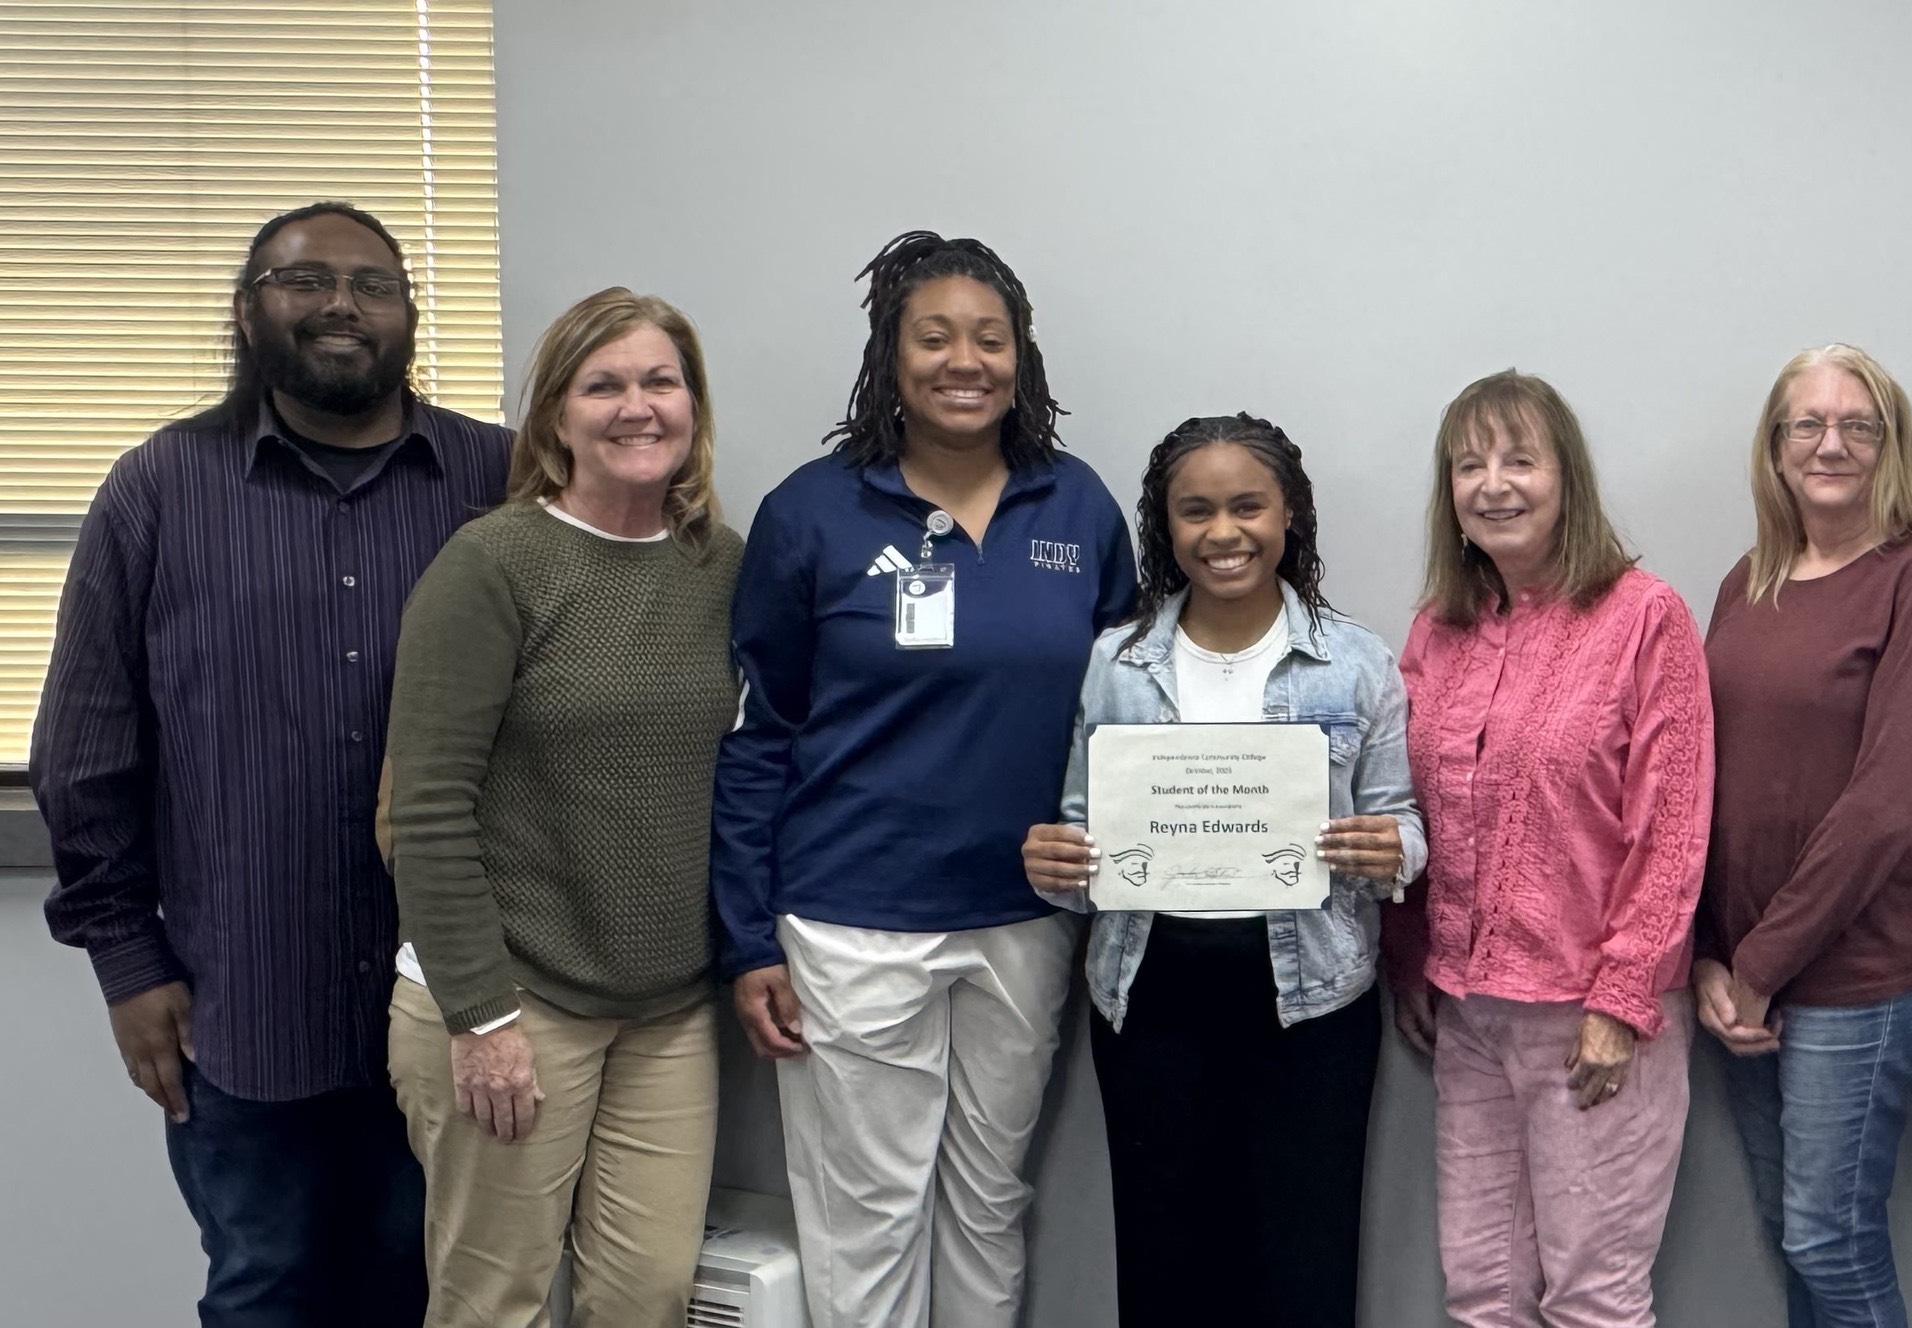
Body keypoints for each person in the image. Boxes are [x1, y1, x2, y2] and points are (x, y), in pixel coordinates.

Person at [35, 201, 510, 1328]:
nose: (341, 303)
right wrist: (126, 960)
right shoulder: (158, 488)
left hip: (454, 999)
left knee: (436, 1292)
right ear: (248, 310)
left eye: (372, 283)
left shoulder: (495, 477)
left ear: (406, 313)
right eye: (305, 280)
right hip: (242, 1005)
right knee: (267, 1292)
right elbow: (84, 752)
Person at [713, 230, 1136, 1327]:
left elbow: (1126, 716)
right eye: (934, 336)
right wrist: (748, 934)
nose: (964, 359)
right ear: (889, 358)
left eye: (988, 338)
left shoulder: (1077, 507)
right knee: (870, 1214)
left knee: (989, 1201)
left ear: (1021, 357)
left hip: (1025, 916)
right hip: (854, 916)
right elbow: (762, 729)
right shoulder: (814, 512)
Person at [378, 288, 741, 1326]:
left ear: (692, 404)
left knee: (651, 1293)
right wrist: (481, 1016)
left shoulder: (719, 563)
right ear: (553, 418)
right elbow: (426, 806)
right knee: (495, 1299)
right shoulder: (493, 563)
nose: (638, 407)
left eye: (660, 381)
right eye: (605, 384)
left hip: (666, 1007)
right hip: (509, 998)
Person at [1019, 414, 1422, 1328]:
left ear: (1290, 516)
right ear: (1165, 527)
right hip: (1148, 1002)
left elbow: (1402, 823)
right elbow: (1084, 842)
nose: (1222, 532)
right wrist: (1054, 862)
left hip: (1311, 1007)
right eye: (1194, 511)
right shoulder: (1115, 664)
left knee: (1304, 1264)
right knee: (1165, 1270)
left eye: (1247, 506)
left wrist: (1392, 850)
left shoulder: (1355, 662)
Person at [1385, 370, 1713, 1328]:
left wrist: (1621, 999)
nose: (1494, 483)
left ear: (1565, 476)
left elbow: (1672, 828)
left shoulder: (1644, 616)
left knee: (1592, 1300)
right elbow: (1411, 811)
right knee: (1481, 1292)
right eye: (1468, 464)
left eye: (1520, 459)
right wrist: (1411, 962)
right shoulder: (1437, 630)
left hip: (1593, 1020)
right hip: (1466, 1015)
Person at [1693, 344, 1912, 1328]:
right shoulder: (1746, 580)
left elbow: (1883, 802)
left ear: (1890, 445)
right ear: (1774, 447)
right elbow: (1696, 778)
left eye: (1857, 424)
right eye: (1806, 423)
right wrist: (1704, 957)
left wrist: (1761, 963)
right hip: (1738, 972)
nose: (1830, 443)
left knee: (1825, 1231)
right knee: (1792, 1228)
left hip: (1860, 966)